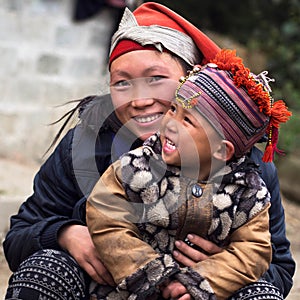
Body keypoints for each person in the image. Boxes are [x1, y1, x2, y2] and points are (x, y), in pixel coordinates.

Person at [3, 2, 295, 300]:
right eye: (122, 83)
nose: (140, 99)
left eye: (155, 78)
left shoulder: (248, 173)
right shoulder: (85, 150)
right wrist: (65, 234)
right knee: (45, 269)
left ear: (191, 80)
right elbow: (18, 238)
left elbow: (280, 271)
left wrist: (223, 267)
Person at [86, 49, 291, 299]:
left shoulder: (248, 192)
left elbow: (253, 252)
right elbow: (105, 215)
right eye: (173, 109)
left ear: (221, 150)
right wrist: (150, 273)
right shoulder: (137, 165)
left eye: (188, 121)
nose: (170, 123)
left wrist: (200, 281)